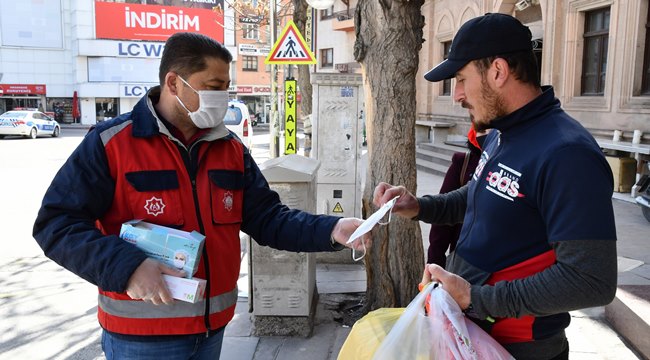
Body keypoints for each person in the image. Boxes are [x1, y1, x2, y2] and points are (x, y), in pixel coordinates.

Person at [33, 32, 369, 360]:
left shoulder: (231, 149)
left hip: (211, 331)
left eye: (226, 87)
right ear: (174, 83)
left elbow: (269, 218)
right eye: (213, 87)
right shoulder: (112, 144)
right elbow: (57, 224)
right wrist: (127, 267)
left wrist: (333, 229)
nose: (223, 97)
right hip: (142, 339)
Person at [374, 13, 617, 360]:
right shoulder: (502, 132)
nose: (456, 94)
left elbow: (591, 280)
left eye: (461, 79)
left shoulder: (567, 154)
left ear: (498, 72)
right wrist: (421, 207)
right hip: (469, 333)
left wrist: (477, 298)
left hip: (520, 348)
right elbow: (481, 195)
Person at [426, 127, 486, 267]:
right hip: (464, 259)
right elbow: (443, 216)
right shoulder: (463, 163)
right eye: (482, 130)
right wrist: (435, 262)